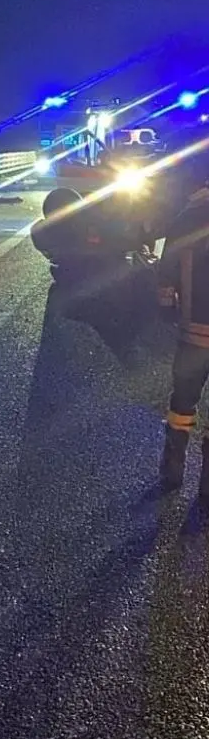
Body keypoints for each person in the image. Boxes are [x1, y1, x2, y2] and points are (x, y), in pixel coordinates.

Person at [155, 160, 209, 496]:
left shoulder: (187, 217)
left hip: (194, 334)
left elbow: (166, 271)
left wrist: (166, 310)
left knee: (183, 401)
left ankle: (173, 466)